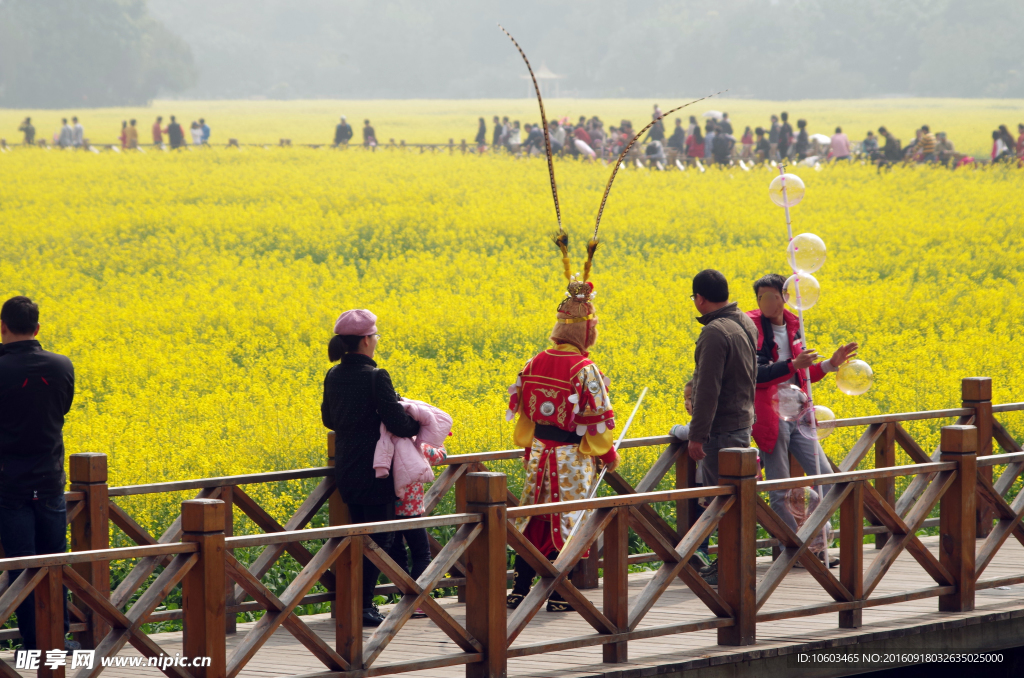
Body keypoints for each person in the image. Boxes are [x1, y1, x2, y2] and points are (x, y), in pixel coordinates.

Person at [505, 276, 619, 612]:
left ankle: (521, 588)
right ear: (587, 331)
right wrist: (609, 454)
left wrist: (531, 449)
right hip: (571, 456)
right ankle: (557, 593)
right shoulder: (585, 368)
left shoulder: (534, 362)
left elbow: (524, 410)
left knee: (536, 520)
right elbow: (596, 417)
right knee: (567, 521)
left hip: (540, 452)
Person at [747, 274, 857, 566]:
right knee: (779, 487)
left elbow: (802, 374)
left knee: (825, 477)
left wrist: (830, 364)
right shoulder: (752, 328)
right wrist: (792, 364)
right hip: (770, 416)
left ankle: (817, 545)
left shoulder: (795, 326)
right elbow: (756, 375)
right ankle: (796, 551)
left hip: (799, 412)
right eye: (760, 298)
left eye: (771, 296)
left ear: (785, 296)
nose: (765, 303)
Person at [322, 309, 421, 626]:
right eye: (375, 336)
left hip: (348, 468)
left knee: (359, 536)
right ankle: (363, 605)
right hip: (377, 469)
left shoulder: (333, 375)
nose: (376, 342)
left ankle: (357, 602)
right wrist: (416, 419)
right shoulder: (377, 377)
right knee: (380, 540)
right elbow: (399, 424)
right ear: (366, 340)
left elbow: (328, 420)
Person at [0, 297, 76, 651]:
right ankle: (56, 643)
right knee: (54, 562)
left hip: (8, 484)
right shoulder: (62, 365)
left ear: (2, 327)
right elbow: (62, 410)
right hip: (49, 480)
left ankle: (32, 645)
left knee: (22, 568)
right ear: (38, 327)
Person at [687, 270, 757, 584]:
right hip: (742, 423)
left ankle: (728, 565)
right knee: (736, 498)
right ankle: (737, 562)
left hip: (721, 429)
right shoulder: (745, 321)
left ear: (700, 298)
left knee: (721, 501)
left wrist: (697, 435)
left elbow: (708, 389)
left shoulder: (715, 332)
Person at [385, 440, 448, 619]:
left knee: (397, 555)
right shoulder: (413, 440)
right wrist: (438, 440)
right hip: (410, 508)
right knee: (422, 553)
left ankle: (406, 599)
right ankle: (417, 603)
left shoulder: (383, 438)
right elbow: (440, 456)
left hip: (387, 506)